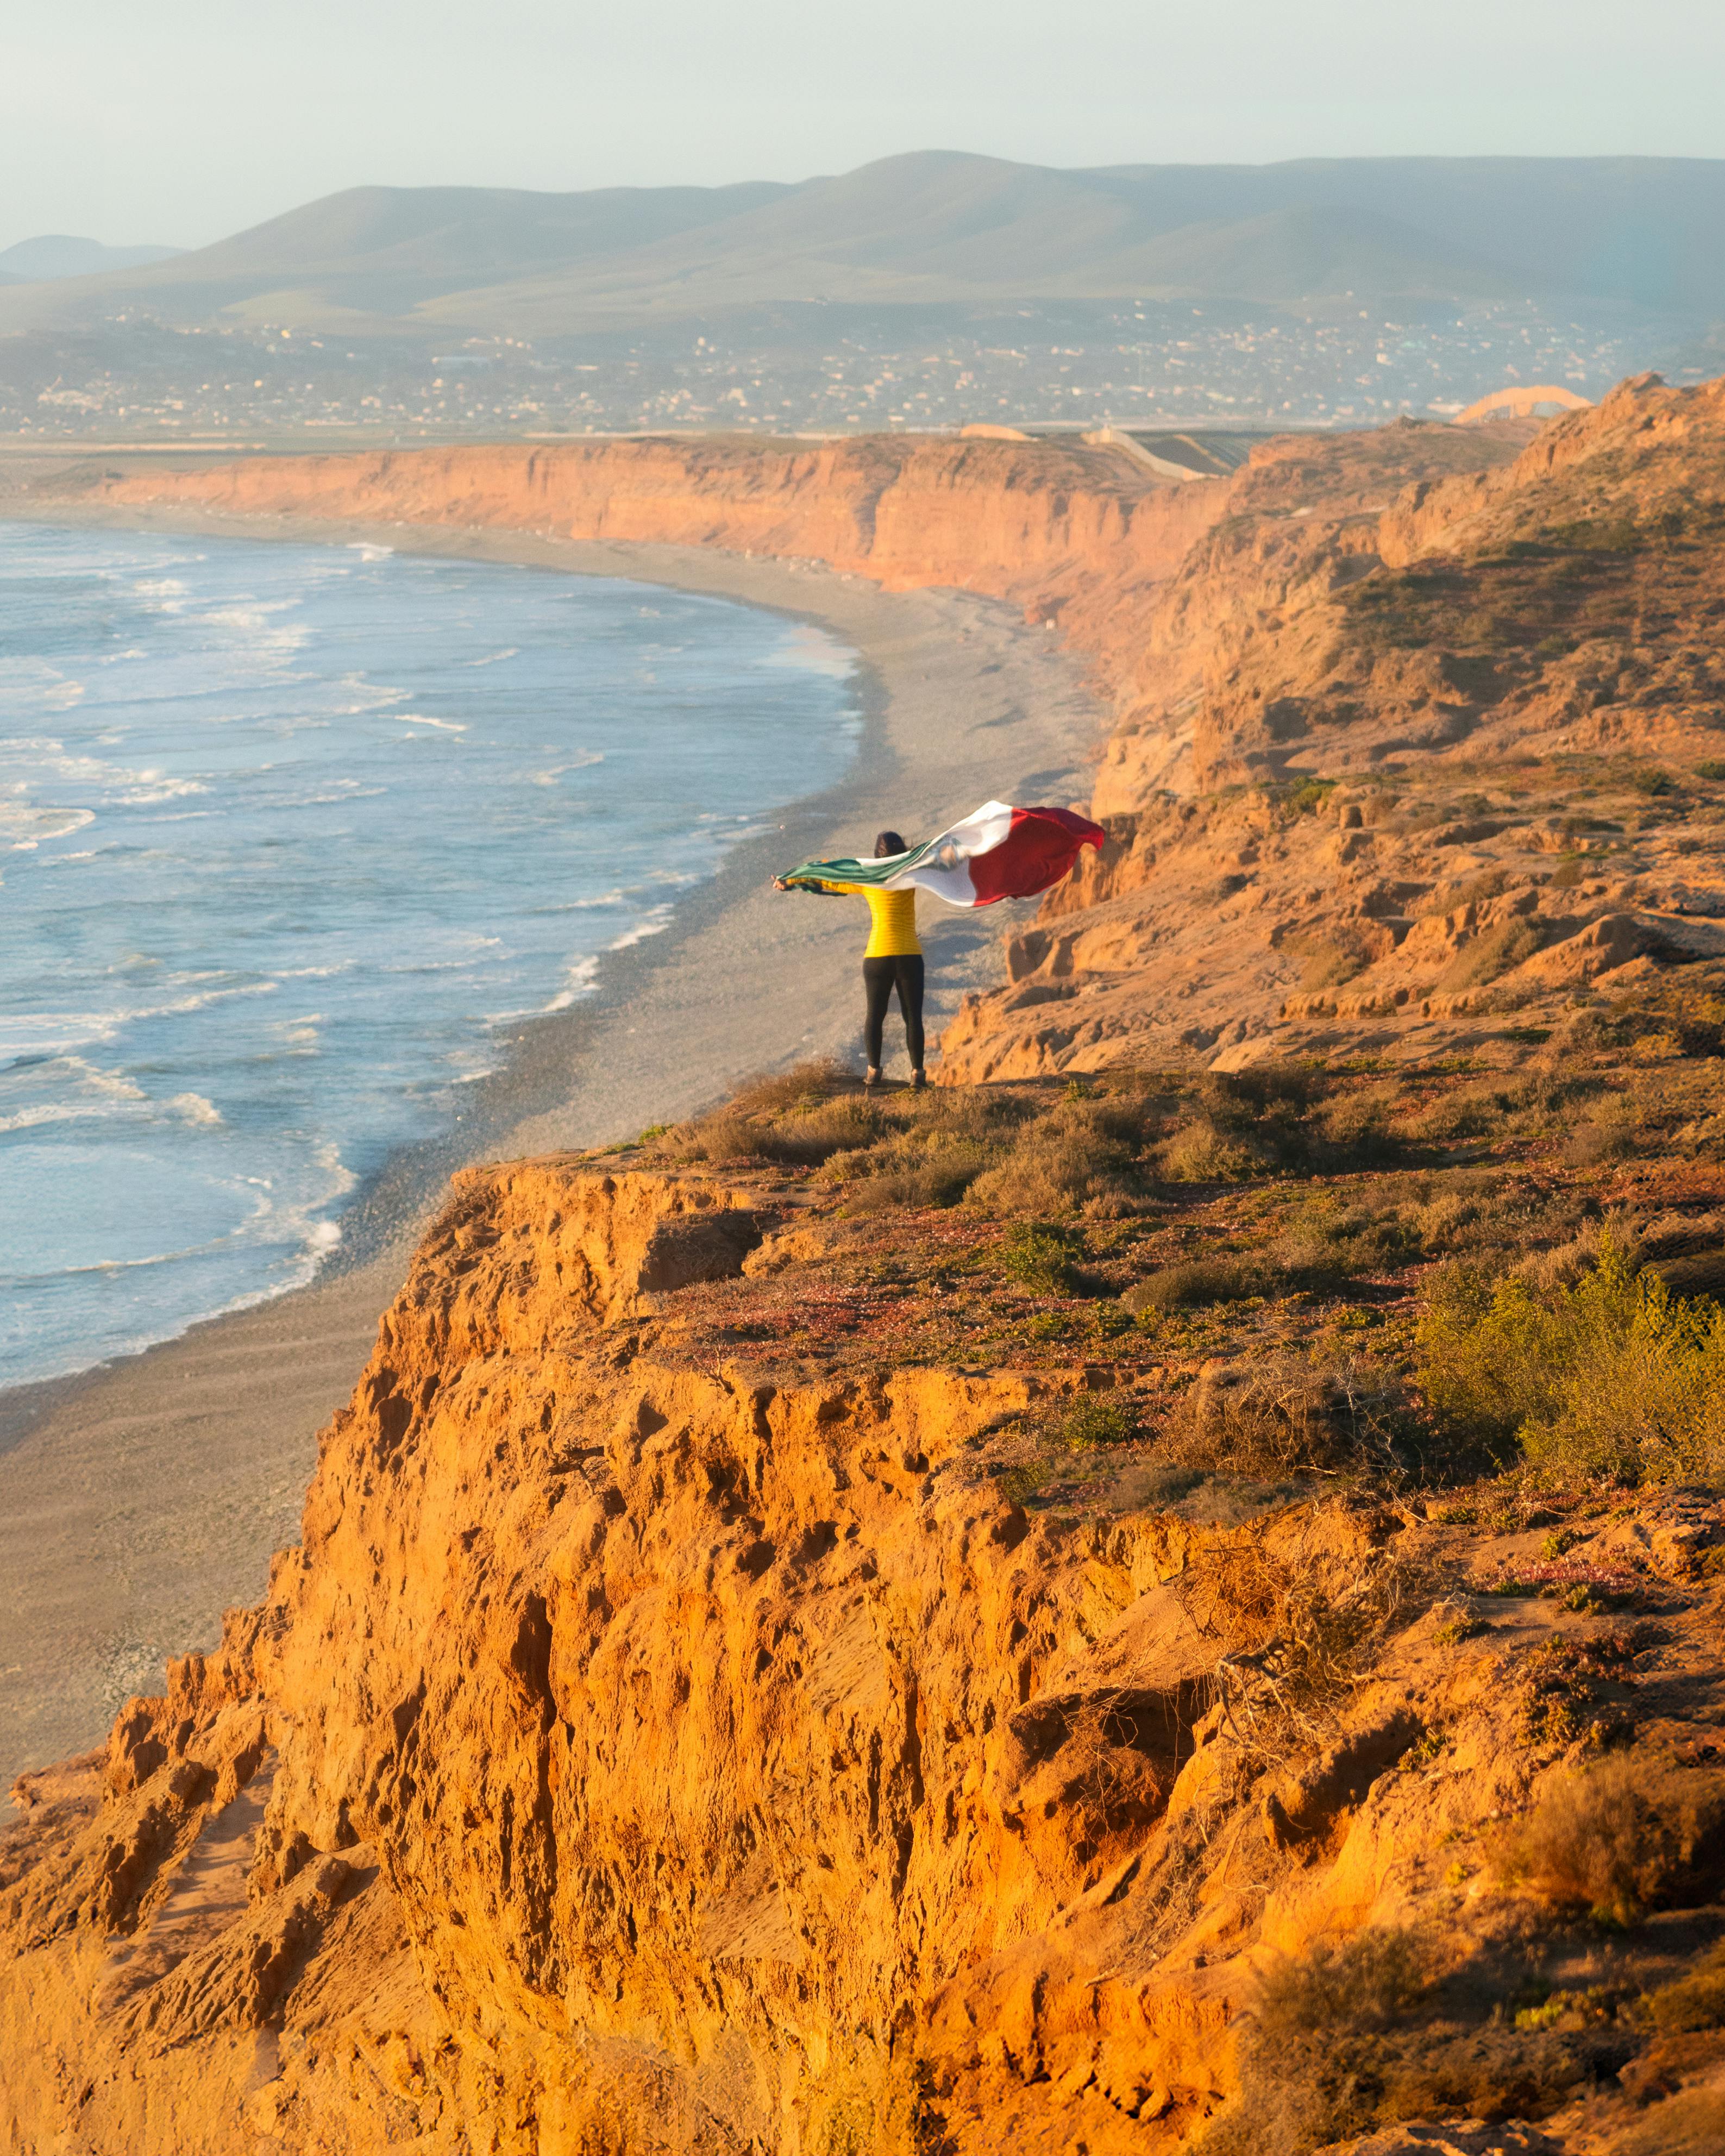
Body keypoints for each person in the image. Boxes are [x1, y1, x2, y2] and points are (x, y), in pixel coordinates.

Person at [774, 830, 925, 1088]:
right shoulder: (912, 875)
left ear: (876, 854)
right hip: (909, 956)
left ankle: (874, 1073)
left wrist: (791, 881)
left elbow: (830, 878)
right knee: (912, 1017)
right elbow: (945, 865)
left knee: (875, 1016)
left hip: (877, 957)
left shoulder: (867, 879)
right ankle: (917, 1076)